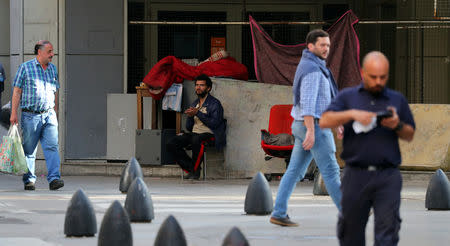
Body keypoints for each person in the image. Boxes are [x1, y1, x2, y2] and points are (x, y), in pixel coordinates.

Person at [319, 51, 415, 246]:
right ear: (363, 73)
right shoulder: (348, 97)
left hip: (387, 176)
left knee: (388, 233)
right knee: (350, 233)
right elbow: (324, 120)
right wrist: (352, 114)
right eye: (373, 77)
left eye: (383, 77)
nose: (378, 81)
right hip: (356, 175)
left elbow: (409, 134)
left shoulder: (396, 100)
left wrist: (396, 124)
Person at [270, 29, 342, 227]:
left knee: (294, 171)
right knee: (331, 171)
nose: (326, 48)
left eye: (328, 45)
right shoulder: (312, 69)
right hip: (314, 126)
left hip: (305, 125)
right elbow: (308, 104)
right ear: (310, 46)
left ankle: (278, 212)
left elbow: (322, 100)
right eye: (322, 45)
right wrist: (311, 130)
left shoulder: (314, 66)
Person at [10, 40, 64, 191]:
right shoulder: (25, 68)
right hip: (30, 116)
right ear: (39, 52)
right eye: (49, 52)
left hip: (49, 115)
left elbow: (55, 92)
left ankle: (54, 179)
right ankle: (29, 180)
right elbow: (17, 91)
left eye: (53, 51)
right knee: (29, 150)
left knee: (52, 147)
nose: (52, 54)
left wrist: (56, 113)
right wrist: (14, 113)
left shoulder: (53, 69)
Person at [166, 74, 226, 180]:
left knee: (196, 140)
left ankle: (194, 170)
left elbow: (215, 124)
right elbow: (189, 127)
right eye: (197, 85)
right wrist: (190, 116)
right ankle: (192, 169)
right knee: (171, 143)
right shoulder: (195, 103)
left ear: (208, 88)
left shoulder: (215, 103)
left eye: (202, 85)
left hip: (211, 135)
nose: (198, 87)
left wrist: (198, 113)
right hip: (195, 134)